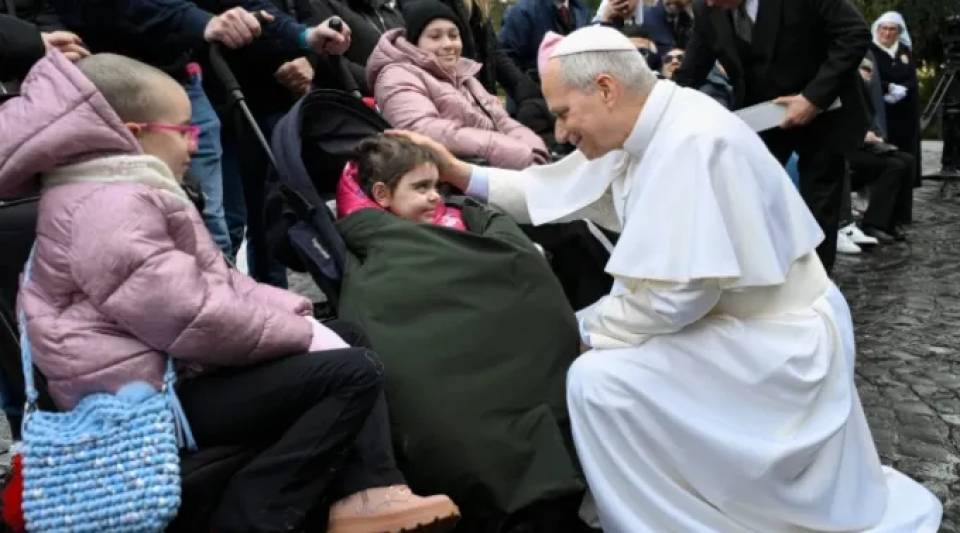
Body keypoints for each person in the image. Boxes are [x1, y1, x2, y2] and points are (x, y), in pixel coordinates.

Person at [392, 25, 943, 531]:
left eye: (564, 113)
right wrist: (459, 171)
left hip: (780, 342)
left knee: (597, 381)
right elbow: (553, 191)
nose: (560, 130)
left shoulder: (691, 141)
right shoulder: (650, 122)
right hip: (738, 322)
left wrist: (576, 331)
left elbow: (679, 295)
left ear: (605, 88)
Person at [0, 51, 460, 533]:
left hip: (171, 374)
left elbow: (214, 286)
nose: (194, 144)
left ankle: (368, 493)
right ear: (134, 135)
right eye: (183, 131)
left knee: (347, 336)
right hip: (146, 401)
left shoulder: (112, 191)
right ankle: (249, 516)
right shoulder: (109, 206)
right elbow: (188, 314)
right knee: (351, 373)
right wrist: (296, 332)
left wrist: (294, 313)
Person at [673, 0, 872, 273]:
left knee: (820, 202)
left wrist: (813, 99)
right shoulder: (708, 10)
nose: (708, 3)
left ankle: (817, 286)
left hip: (824, 110)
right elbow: (691, 71)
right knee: (749, 194)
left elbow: (854, 34)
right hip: (761, 116)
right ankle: (761, 275)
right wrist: (658, 105)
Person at [367, 1, 548, 169]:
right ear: (415, 41)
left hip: (493, 167)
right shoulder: (397, 76)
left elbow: (502, 120)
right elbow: (423, 130)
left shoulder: (464, 75)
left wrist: (534, 148)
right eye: (435, 37)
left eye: (454, 36)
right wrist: (516, 153)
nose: (448, 44)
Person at [845, 56, 914, 243]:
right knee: (894, 165)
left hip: (862, 145)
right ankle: (874, 224)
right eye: (863, 76)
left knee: (907, 159)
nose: (867, 80)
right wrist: (862, 136)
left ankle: (894, 221)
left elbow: (871, 122)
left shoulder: (863, 92)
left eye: (870, 77)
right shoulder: (843, 90)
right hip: (844, 148)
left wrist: (876, 137)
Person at [337, 135, 467, 229]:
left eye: (436, 187)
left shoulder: (454, 215)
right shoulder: (389, 245)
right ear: (382, 194)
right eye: (422, 186)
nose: (436, 196)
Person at [870, 11, 922, 210]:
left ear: (899, 32)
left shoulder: (904, 51)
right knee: (886, 162)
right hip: (881, 116)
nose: (887, 33)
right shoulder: (870, 50)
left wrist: (904, 89)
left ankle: (903, 211)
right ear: (877, 29)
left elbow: (911, 78)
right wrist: (886, 88)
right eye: (884, 28)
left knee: (907, 159)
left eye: (892, 29)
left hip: (904, 116)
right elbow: (867, 78)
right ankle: (880, 208)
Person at [498, 0, 590, 82]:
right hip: (533, 95)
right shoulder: (521, 11)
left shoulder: (581, 10)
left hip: (572, 94)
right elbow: (505, 58)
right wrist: (526, 91)